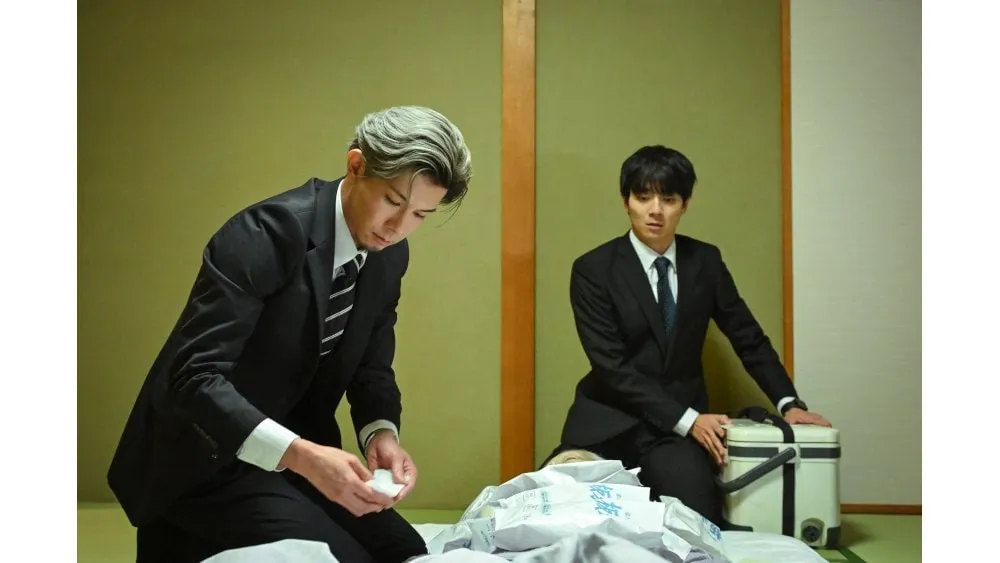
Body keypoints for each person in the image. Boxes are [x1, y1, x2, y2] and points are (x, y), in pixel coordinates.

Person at [106, 106, 473, 563]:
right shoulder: (265, 233)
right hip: (204, 458)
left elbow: (371, 366)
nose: (399, 228)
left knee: (405, 551)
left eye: (420, 214)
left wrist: (381, 434)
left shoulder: (388, 255)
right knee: (340, 558)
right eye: (393, 202)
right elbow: (193, 377)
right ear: (356, 165)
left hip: (296, 451)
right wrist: (303, 457)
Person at [543, 145, 830, 527]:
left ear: (685, 204)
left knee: (698, 523)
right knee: (559, 517)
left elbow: (748, 337)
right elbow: (612, 368)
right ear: (626, 202)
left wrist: (789, 402)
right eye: (643, 197)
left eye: (668, 199)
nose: (655, 210)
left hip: (673, 435)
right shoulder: (593, 269)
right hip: (609, 423)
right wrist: (689, 419)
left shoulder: (705, 261)